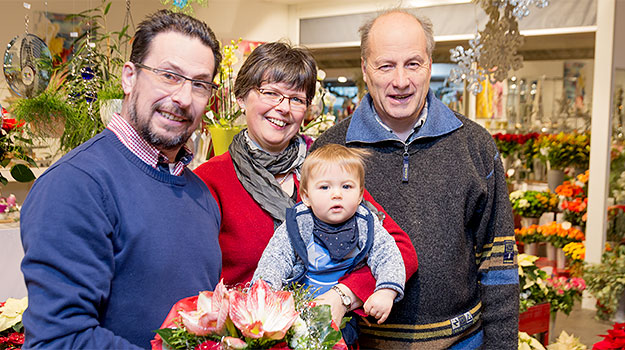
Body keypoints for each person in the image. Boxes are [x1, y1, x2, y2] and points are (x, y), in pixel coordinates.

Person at [310, 9, 519, 349]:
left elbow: (499, 264)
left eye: (413, 63)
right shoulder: (330, 150)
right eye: (386, 65)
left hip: (462, 343)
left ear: (430, 65)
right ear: (365, 69)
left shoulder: (475, 145)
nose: (401, 80)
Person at [19, 10, 222, 349]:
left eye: (199, 84)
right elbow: (59, 340)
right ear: (129, 78)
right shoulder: (76, 185)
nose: (184, 98)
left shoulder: (200, 194)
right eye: (169, 76)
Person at [193, 41, 418, 344]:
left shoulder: (327, 169)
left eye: (296, 99)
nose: (283, 108)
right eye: (270, 93)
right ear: (242, 97)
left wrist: (343, 295)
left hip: (330, 340)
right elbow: (196, 284)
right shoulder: (210, 180)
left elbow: (399, 249)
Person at [254, 144, 405, 324]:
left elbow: (388, 256)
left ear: (360, 195)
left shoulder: (365, 222)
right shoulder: (299, 223)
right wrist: (263, 293)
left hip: (346, 316)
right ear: (306, 196)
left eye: (346, 186)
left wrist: (386, 291)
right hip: (297, 312)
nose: (336, 194)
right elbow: (275, 259)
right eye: (325, 187)